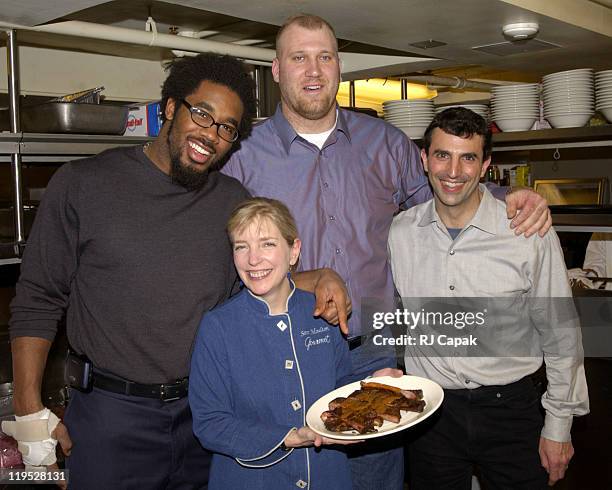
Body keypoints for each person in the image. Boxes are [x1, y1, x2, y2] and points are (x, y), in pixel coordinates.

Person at [221, 13, 553, 489]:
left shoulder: (386, 144)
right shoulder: (243, 156)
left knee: (377, 481)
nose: (313, 71)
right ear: (276, 70)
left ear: (339, 66)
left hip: (375, 352)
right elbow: (229, 260)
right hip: (288, 351)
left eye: (325, 57)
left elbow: (448, 201)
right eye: (299, 58)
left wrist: (508, 196)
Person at [6, 53, 349, 489]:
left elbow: (249, 286)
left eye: (227, 128)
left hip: (203, 415)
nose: (212, 134)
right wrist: (29, 412)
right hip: (112, 416)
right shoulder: (83, 184)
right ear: (170, 107)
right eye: (202, 114)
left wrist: (317, 277)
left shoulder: (230, 199)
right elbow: (37, 299)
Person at [387, 107, 589, 489]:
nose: (453, 171)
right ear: (424, 159)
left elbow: (561, 334)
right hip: (431, 414)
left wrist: (559, 426)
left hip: (511, 410)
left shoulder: (527, 232)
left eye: (468, 158)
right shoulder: (401, 233)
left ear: (485, 166)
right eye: (442, 155)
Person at [190, 197, 364, 489]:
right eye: (241, 246)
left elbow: (342, 386)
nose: (253, 259)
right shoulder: (217, 326)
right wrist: (288, 437)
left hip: (326, 476)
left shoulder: (322, 313)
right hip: (251, 479)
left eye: (267, 244)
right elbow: (209, 423)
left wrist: (373, 386)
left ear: (294, 251)